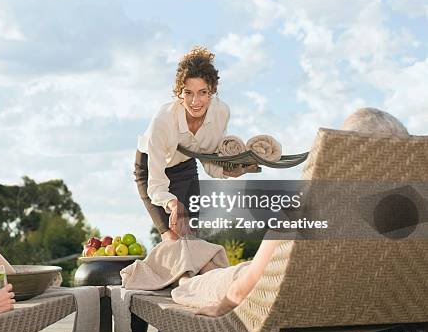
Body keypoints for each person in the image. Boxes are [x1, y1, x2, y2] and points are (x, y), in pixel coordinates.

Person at [174, 107, 410, 317]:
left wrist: (222, 307)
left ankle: (185, 279)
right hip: (373, 308)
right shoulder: (412, 209)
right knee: (217, 269)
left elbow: (246, 286)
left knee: (191, 285)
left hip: (276, 296)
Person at [135, 46, 255, 242]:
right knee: (174, 240)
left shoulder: (221, 112)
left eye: (202, 92)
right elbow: (156, 184)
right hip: (152, 169)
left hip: (185, 166)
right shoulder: (163, 121)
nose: (195, 101)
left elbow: (208, 157)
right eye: (188, 93)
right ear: (179, 93)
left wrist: (230, 170)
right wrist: (174, 204)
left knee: (192, 240)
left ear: (212, 91)